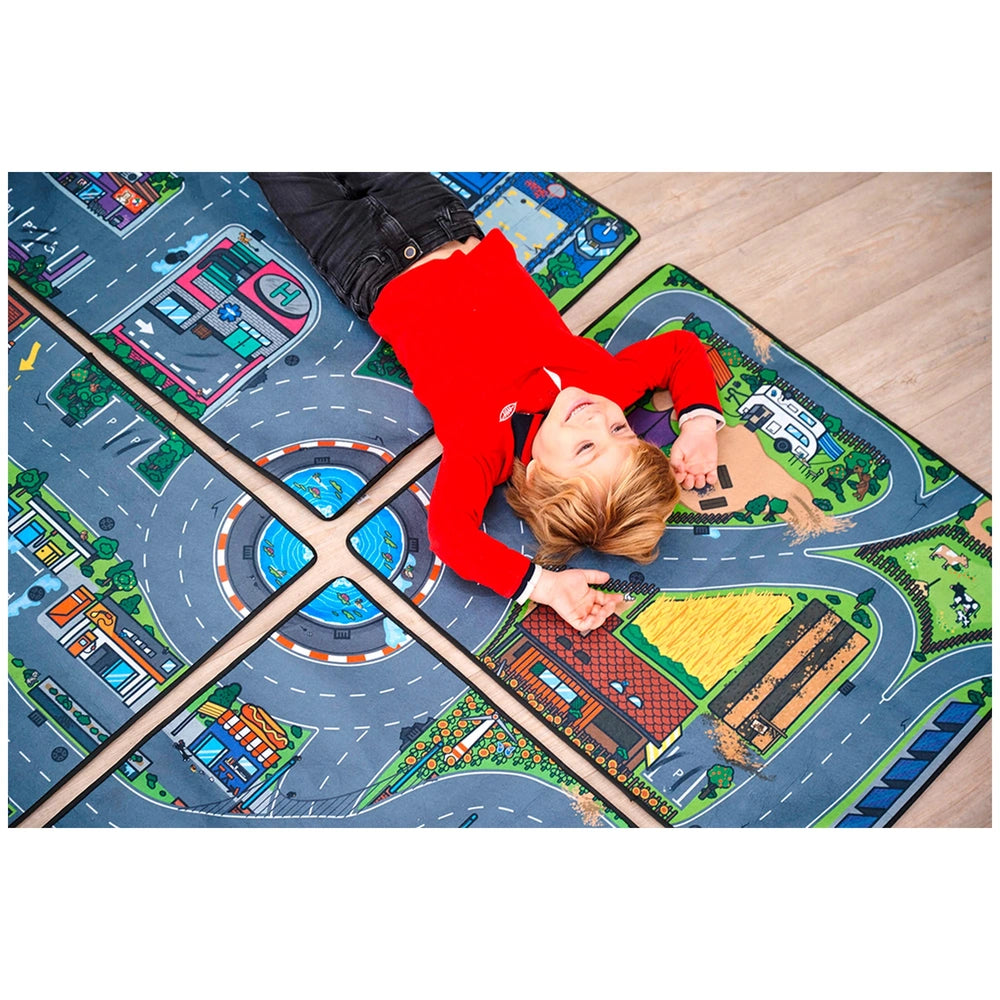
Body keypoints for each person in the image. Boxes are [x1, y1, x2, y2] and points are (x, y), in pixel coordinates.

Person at [251, 173, 722, 632]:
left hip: (360, 257)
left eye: (585, 449)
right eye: (621, 431)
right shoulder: (604, 387)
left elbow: (453, 539)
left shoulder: (483, 447)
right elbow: (680, 349)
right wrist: (699, 425)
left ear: (538, 476)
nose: (596, 421)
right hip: (439, 219)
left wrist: (544, 587)